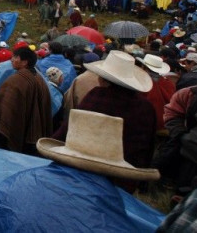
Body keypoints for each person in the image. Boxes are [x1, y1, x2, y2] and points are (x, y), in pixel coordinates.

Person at [52, 50, 155, 193]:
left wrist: (55, 143)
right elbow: (147, 146)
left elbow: (72, 126)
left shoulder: (96, 96)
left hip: (88, 169)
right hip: (125, 175)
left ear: (103, 79)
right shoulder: (146, 107)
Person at [0, 46, 53, 155]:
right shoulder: (39, 78)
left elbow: (5, 108)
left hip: (14, 131)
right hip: (33, 136)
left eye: (15, 57)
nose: (12, 59)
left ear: (24, 62)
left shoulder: (16, 80)